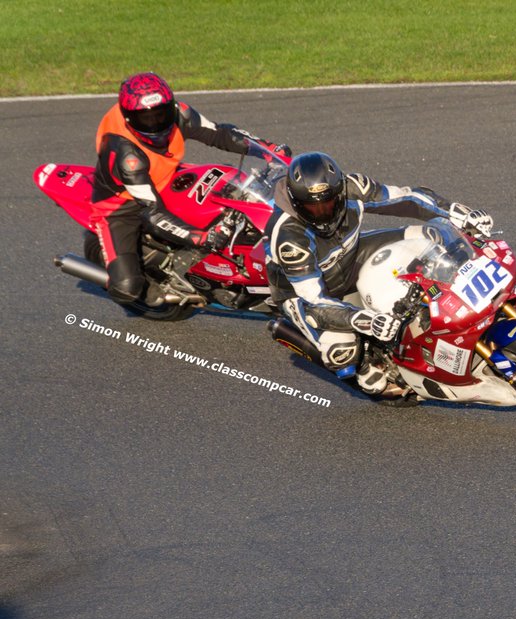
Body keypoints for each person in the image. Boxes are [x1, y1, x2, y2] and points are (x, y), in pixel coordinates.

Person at [265, 151, 493, 398]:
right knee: (340, 351)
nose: (323, 212)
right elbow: (315, 301)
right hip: (306, 294)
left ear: (340, 191)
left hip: (351, 255)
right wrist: (362, 321)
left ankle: (461, 302)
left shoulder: (353, 187)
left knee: (431, 235)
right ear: (296, 202)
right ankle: (364, 369)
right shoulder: (289, 237)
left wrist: (455, 212)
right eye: (312, 207)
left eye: (329, 202)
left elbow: (406, 197)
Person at [91, 71, 290, 306]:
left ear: (171, 106)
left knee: (236, 195)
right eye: (146, 119)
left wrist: (266, 149)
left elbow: (220, 134)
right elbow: (151, 212)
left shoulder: (180, 113)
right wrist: (201, 237)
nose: (155, 124)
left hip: (169, 173)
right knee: (128, 288)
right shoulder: (127, 156)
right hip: (124, 204)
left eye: (161, 114)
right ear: (128, 119)